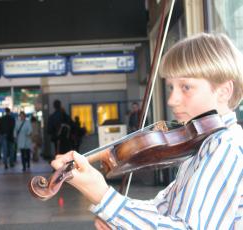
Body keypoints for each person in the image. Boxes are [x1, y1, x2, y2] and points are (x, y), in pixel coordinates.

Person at [51, 33, 243, 229]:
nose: (171, 100)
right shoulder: (203, 145)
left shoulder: (225, 146)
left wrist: (103, 196)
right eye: (171, 87)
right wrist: (117, 218)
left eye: (185, 87)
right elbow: (163, 209)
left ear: (224, 91)